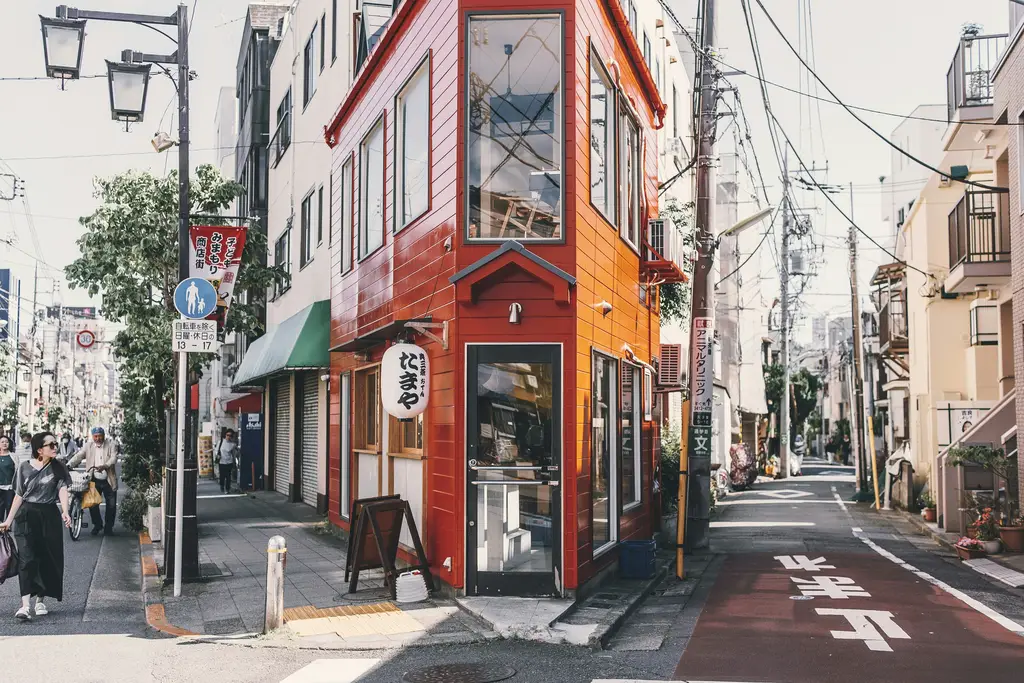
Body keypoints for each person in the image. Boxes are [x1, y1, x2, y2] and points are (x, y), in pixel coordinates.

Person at [0, 431, 73, 621]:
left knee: (47, 557)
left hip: (49, 515)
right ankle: (25, 606)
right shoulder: (24, 467)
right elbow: (19, 495)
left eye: (55, 444)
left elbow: (62, 489)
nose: (55, 447)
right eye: (51, 445)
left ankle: (40, 600)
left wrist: (65, 511)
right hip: (26, 515)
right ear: (39, 450)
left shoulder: (59, 467)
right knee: (26, 558)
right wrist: (8, 520)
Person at [67, 427, 118, 536]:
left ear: (103, 436)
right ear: (92, 436)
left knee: (111, 505)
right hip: (94, 479)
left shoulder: (111, 444)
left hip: (108, 479)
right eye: (96, 436)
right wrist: (69, 465)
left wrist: (105, 466)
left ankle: (108, 528)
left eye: (100, 436)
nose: (98, 438)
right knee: (92, 504)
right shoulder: (88, 446)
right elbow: (79, 456)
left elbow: (114, 458)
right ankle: (98, 524)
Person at [217, 429, 238, 493]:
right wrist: (217, 455)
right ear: (225, 435)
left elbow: (235, 453)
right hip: (221, 461)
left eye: (230, 435)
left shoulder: (233, 444)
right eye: (227, 435)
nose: (228, 436)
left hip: (229, 462)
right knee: (222, 476)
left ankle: (227, 489)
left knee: (228, 476)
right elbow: (216, 450)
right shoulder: (220, 442)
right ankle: (222, 486)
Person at [0, 436, 15, 522]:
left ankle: (8, 525)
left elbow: (17, 471)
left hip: (10, 487)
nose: (4, 444)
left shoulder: (13, 456)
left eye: (6, 442)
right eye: (2, 442)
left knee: (9, 506)